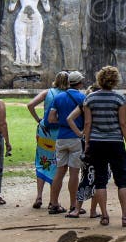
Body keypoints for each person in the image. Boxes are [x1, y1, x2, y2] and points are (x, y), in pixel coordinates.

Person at [83, 66, 126, 227]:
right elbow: (123, 123)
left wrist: (87, 143)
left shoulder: (89, 99)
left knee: (100, 179)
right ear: (115, 80)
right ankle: (125, 216)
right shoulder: (119, 98)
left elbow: (87, 123)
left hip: (96, 143)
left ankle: (104, 216)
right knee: (122, 179)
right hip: (115, 142)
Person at [26, 71, 69, 209]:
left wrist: (38, 119)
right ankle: (52, 200)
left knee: (42, 161)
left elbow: (30, 105)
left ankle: (39, 196)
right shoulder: (67, 95)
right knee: (56, 163)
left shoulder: (47, 93)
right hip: (59, 132)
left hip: (44, 131)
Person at [66, 84, 108, 219]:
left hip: (87, 141)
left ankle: (77, 209)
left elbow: (69, 118)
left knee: (87, 175)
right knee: (100, 177)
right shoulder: (103, 104)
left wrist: (80, 133)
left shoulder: (85, 103)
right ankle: (93, 210)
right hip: (101, 140)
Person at [47, 71, 86, 214]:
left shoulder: (58, 97)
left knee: (60, 171)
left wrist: (63, 122)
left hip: (61, 137)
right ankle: (73, 205)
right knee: (74, 172)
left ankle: (54, 203)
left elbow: (51, 119)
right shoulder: (83, 97)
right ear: (79, 83)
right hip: (76, 137)